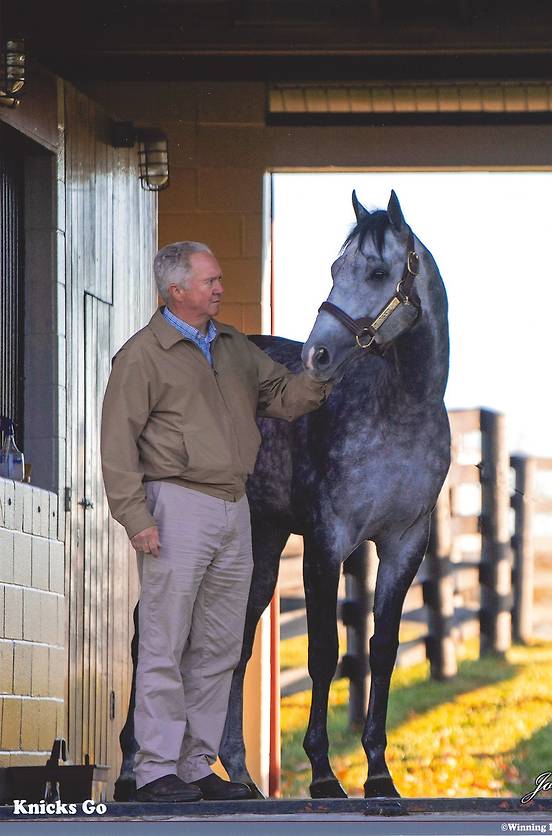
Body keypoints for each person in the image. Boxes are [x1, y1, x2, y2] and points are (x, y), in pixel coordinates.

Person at [100, 241, 334, 803]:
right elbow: (116, 445)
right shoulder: (143, 355)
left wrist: (320, 372)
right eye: (209, 281)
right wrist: (136, 517)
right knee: (165, 640)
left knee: (219, 644)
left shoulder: (232, 346)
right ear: (176, 290)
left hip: (235, 507)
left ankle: (196, 763)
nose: (220, 288)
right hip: (173, 505)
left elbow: (281, 396)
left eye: (220, 278)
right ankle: (155, 769)